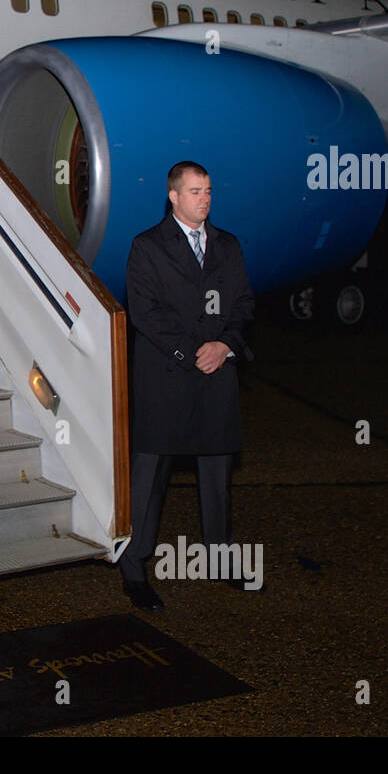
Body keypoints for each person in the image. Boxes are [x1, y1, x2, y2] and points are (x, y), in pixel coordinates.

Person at [118, 161, 255, 611]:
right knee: (149, 480)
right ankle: (135, 568)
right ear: (173, 196)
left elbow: (243, 304)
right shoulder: (147, 246)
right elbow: (145, 312)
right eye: (195, 191)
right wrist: (191, 352)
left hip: (216, 376)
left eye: (209, 190)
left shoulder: (227, 245)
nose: (205, 198)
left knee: (217, 477)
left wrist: (224, 345)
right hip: (167, 379)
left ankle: (222, 558)